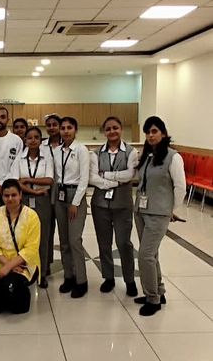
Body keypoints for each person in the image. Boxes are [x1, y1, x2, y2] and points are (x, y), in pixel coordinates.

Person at [134, 116, 186, 316]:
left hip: (158, 213)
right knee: (152, 254)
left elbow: (180, 186)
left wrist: (171, 209)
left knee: (145, 255)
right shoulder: (147, 155)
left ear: (163, 133)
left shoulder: (173, 157)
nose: (150, 135)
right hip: (141, 210)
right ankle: (158, 291)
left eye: (154, 131)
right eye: (147, 132)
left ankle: (152, 299)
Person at [89, 116, 139, 297]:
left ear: (121, 129)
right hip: (100, 205)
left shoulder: (131, 152)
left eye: (115, 128)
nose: (112, 131)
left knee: (123, 243)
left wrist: (106, 175)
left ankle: (129, 280)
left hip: (123, 205)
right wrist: (116, 182)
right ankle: (108, 277)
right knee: (104, 243)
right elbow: (92, 178)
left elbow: (130, 175)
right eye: (108, 128)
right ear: (104, 132)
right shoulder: (95, 153)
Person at [0, 179, 40, 314]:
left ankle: (20, 290)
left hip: (23, 266)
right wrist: (7, 265)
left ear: (20, 195)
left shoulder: (31, 216)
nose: (10, 199)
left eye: (14, 195)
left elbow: (31, 248)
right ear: (2, 196)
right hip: (1, 265)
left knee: (17, 305)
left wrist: (10, 266)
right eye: (6, 195)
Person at [10, 127, 54, 288]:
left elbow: (49, 180)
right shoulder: (19, 159)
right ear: (25, 140)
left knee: (43, 236)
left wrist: (28, 180)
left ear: (41, 140)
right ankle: (24, 271)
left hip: (43, 201)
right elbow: (16, 182)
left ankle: (42, 273)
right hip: (24, 200)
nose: (33, 140)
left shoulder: (46, 158)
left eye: (36, 137)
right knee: (23, 237)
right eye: (30, 137)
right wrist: (34, 190)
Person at [54, 116, 89, 298]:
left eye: (69, 127)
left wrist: (75, 202)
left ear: (75, 130)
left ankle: (81, 281)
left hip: (76, 195)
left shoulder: (81, 150)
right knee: (64, 241)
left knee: (75, 240)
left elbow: (84, 179)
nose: (66, 131)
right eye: (63, 128)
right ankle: (69, 276)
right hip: (60, 195)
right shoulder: (57, 151)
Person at [41, 114, 62, 268]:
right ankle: (46, 263)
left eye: (55, 124)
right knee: (46, 229)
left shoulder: (66, 144)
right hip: (46, 190)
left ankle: (70, 266)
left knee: (65, 230)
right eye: (48, 125)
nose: (52, 127)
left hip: (62, 189)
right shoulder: (41, 145)